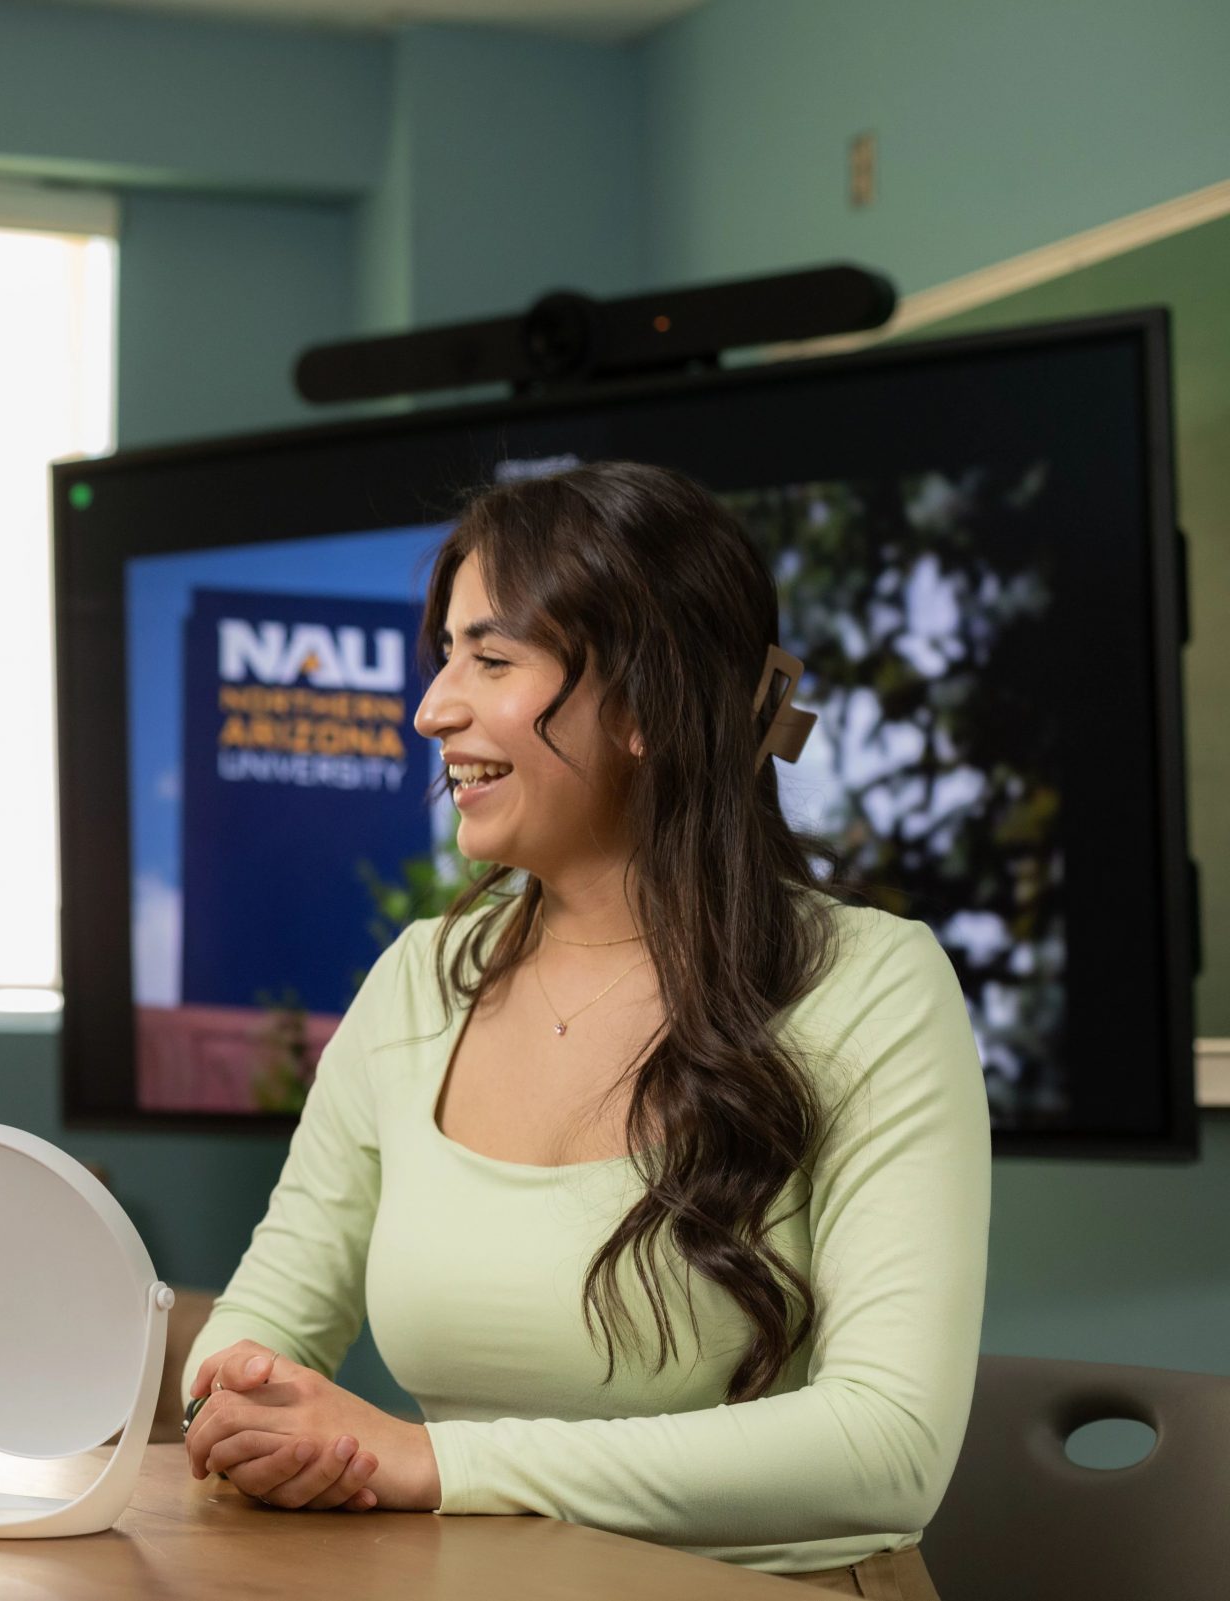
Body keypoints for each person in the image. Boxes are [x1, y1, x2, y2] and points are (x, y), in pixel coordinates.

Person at [180, 462, 986, 1597]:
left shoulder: (872, 984)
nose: (433, 707)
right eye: (444, 655)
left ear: (651, 703)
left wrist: (435, 1460)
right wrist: (241, 1396)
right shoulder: (420, 979)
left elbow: (886, 1450)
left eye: (492, 659)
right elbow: (264, 1318)